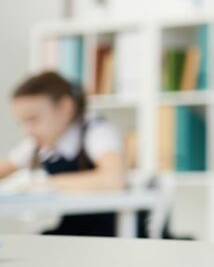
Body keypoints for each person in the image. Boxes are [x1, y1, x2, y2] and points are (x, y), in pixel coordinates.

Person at [0, 70, 126, 236]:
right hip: (75, 230)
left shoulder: (95, 131)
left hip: (114, 232)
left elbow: (114, 180)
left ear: (66, 107)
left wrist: (46, 184)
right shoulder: (38, 142)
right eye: (22, 122)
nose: (27, 130)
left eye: (33, 119)